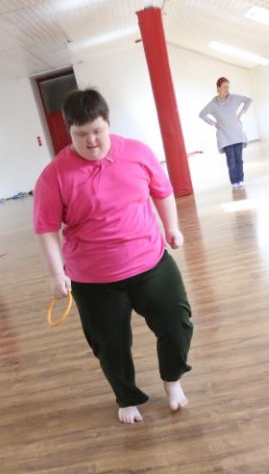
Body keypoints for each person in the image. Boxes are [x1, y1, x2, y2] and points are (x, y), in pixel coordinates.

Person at [33, 88, 193, 425]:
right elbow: (46, 228)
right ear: (69, 131)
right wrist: (56, 273)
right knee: (110, 344)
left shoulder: (137, 153)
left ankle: (172, 381)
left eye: (97, 131)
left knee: (176, 323)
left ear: (108, 123)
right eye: (81, 134)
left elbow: (162, 191)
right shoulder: (54, 175)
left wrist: (172, 228)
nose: (91, 141)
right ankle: (126, 397)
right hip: (93, 279)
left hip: (150, 261)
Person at [199, 77, 252, 189]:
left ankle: (241, 180)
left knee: (239, 159)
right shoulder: (213, 104)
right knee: (231, 161)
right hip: (224, 136)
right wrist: (213, 123)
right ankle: (234, 182)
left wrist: (241, 113)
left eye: (228, 87)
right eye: (224, 87)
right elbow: (202, 114)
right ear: (218, 88)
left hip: (237, 133)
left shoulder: (234, 98)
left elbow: (249, 100)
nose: (227, 89)